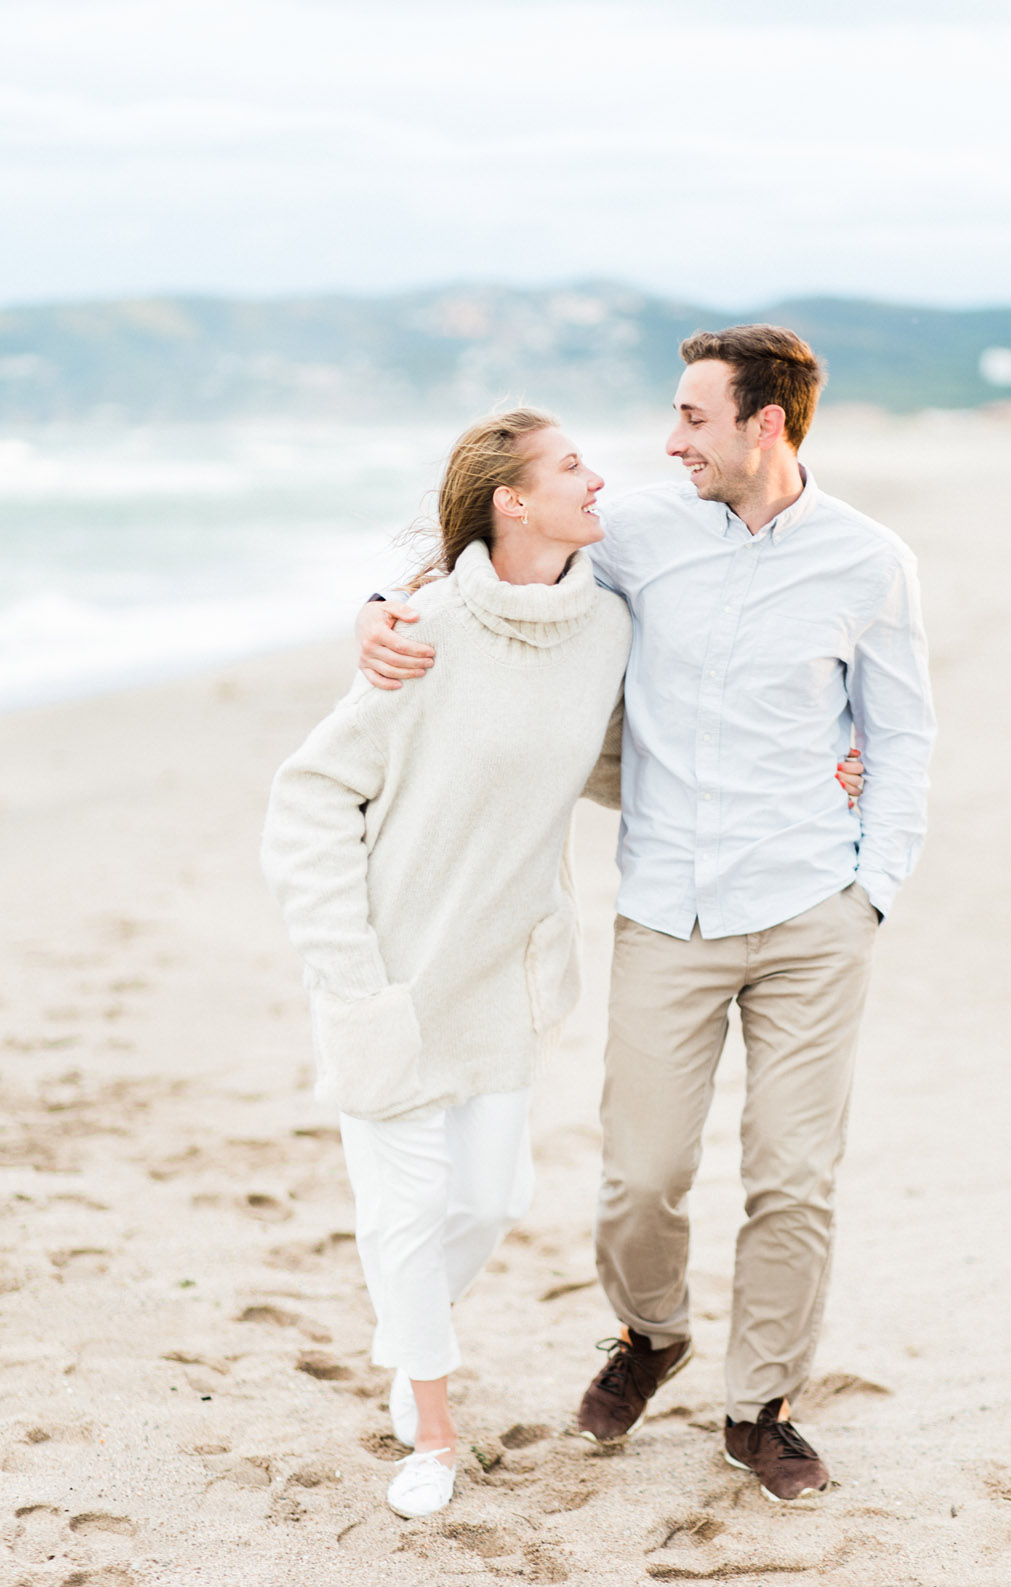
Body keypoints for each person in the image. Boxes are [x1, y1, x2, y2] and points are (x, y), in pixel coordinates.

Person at [355, 323, 934, 1504]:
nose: (668, 441)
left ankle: (757, 1407)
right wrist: (382, 602)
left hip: (812, 912)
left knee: (791, 1178)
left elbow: (900, 731)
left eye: (691, 419)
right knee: (639, 1175)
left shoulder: (870, 562)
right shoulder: (638, 537)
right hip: (667, 906)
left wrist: (873, 888)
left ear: (762, 426)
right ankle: (650, 1334)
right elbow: (503, 561)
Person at [261, 408, 634, 1518]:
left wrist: (816, 769)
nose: (597, 478)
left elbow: (616, 767)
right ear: (512, 499)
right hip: (388, 974)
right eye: (573, 467)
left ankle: (399, 1332)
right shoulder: (418, 629)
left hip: (502, 973)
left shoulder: (606, 628)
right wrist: (347, 968)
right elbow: (311, 791)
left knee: (489, 1196)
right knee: (405, 1210)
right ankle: (427, 1426)